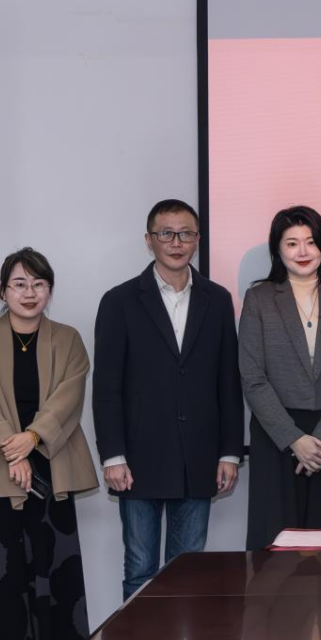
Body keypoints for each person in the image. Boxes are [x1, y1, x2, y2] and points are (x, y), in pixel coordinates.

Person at [93, 198, 245, 600]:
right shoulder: (120, 301)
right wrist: (112, 456)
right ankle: (138, 637)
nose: (176, 242)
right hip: (137, 458)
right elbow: (106, 387)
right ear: (149, 240)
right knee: (140, 568)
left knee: (189, 570)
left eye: (186, 234)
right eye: (166, 234)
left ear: (197, 240)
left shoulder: (217, 299)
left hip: (199, 456)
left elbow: (228, 381)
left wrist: (230, 452)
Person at [0, 248, 98, 640]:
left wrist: (32, 438)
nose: (30, 292)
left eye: (39, 284)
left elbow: (68, 398)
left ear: (50, 290)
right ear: (3, 290)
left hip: (52, 467)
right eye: (19, 284)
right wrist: (15, 452)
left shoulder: (68, 339)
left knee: (51, 569)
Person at [239, 205, 321, 550]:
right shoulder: (259, 299)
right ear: (278, 249)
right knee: (274, 551)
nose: (302, 251)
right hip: (277, 436)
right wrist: (295, 439)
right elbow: (252, 377)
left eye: (310, 242)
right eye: (291, 243)